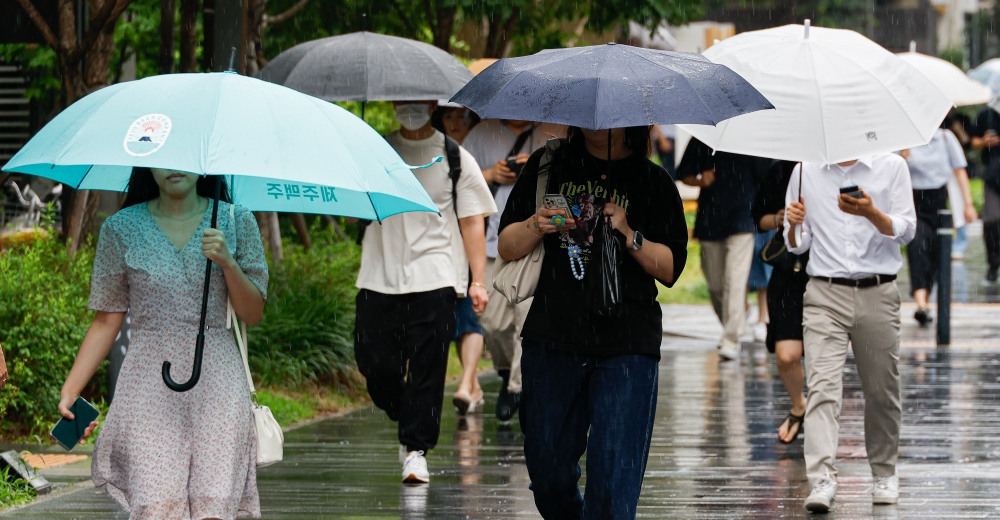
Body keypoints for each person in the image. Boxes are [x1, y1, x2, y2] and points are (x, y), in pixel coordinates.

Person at [497, 126, 688, 520]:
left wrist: (629, 234)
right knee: (548, 473)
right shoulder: (548, 166)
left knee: (615, 484)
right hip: (553, 338)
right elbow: (506, 244)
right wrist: (538, 224)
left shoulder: (653, 181)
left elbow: (670, 268)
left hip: (628, 344)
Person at [59, 167, 268, 519]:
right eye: (165, 158)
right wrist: (71, 390)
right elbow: (107, 319)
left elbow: (253, 312)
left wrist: (228, 263)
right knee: (156, 505)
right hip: (148, 384)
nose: (174, 168)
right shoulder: (121, 228)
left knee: (214, 504)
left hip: (217, 381)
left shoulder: (236, 220)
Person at [353, 101, 496, 484]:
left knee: (427, 369)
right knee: (375, 366)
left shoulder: (455, 157)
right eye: (402, 100)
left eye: (418, 101)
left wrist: (477, 280)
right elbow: (353, 212)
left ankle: (416, 451)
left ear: (433, 104)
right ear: (392, 103)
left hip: (436, 276)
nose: (410, 108)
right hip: (378, 275)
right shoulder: (374, 151)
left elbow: (472, 221)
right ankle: (411, 417)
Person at [784, 154, 916, 513]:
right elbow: (797, 244)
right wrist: (793, 224)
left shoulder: (891, 166)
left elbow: (907, 230)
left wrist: (871, 213)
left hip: (878, 290)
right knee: (822, 387)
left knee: (882, 389)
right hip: (824, 292)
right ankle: (822, 479)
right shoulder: (805, 170)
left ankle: (884, 472)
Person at [462, 119, 566, 421]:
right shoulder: (480, 134)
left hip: (538, 245)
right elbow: (460, 182)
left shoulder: (554, 131)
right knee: (492, 324)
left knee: (526, 322)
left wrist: (537, 170)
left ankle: (517, 387)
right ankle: (507, 369)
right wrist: (491, 175)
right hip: (493, 242)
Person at [677, 138, 770, 361]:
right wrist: (701, 180)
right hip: (710, 219)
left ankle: (731, 340)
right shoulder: (704, 137)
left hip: (743, 220)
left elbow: (766, 178)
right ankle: (738, 316)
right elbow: (683, 173)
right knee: (716, 286)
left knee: (735, 282)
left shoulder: (753, 139)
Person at [431, 103, 488, 416]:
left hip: (474, 244)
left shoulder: (479, 147)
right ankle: (473, 384)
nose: (454, 123)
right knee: (457, 318)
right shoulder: (436, 153)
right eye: (448, 117)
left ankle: (466, 384)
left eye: (460, 117)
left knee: (469, 316)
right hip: (442, 245)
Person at [752, 160, 809, 444]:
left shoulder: (840, 167)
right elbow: (758, 218)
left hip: (830, 273)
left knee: (824, 357)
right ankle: (800, 404)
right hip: (790, 271)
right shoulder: (783, 169)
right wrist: (781, 217)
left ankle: (822, 412)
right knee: (786, 355)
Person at [901, 127, 977, 324]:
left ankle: (926, 299)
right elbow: (890, 171)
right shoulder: (904, 139)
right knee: (917, 248)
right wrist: (902, 158)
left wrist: (968, 204)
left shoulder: (945, 137)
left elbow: (960, 171)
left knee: (936, 253)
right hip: (913, 202)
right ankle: (921, 304)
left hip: (939, 201)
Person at [969, 107, 1000, 282]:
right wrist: (984, 142)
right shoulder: (986, 115)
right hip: (992, 176)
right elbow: (973, 142)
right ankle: (994, 263)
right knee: (991, 220)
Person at [747, 230, 773, 343]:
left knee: (764, 270)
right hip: (744, 226)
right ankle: (744, 307)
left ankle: (761, 321)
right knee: (742, 273)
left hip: (767, 230)